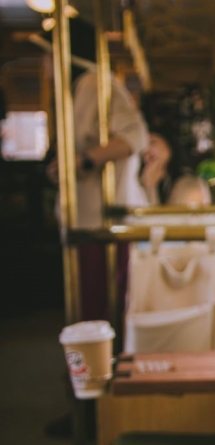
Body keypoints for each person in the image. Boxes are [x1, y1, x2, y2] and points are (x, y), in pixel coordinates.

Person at [48, 18, 150, 320]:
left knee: (99, 309)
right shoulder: (82, 88)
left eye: (48, 54)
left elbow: (135, 136)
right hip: (91, 221)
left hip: (102, 221)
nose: (45, 64)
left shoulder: (95, 84)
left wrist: (85, 160)